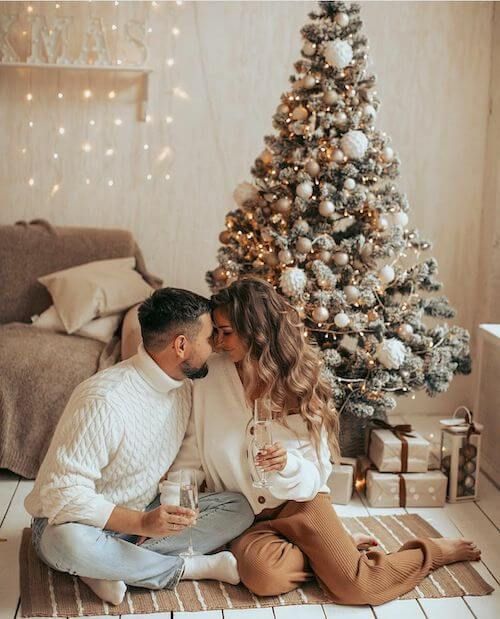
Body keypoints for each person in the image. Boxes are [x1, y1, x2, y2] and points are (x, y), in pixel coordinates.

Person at [162, 277, 481, 606]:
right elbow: (193, 449)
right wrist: (175, 497)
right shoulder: (208, 377)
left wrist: (288, 465)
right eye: (216, 331)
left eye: (227, 332)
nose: (218, 341)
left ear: (255, 330)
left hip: (302, 502)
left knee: (359, 587)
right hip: (243, 513)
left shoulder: (297, 380)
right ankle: (329, 551)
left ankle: (431, 551)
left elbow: (318, 473)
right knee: (263, 576)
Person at [24, 287, 254, 606]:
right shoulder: (104, 400)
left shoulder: (184, 388)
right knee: (67, 543)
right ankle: (185, 568)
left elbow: (179, 465)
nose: (216, 345)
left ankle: (108, 566)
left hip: (143, 508)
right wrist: (141, 523)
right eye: (210, 336)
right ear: (181, 345)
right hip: (73, 521)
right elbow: (61, 494)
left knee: (238, 508)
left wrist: (164, 512)